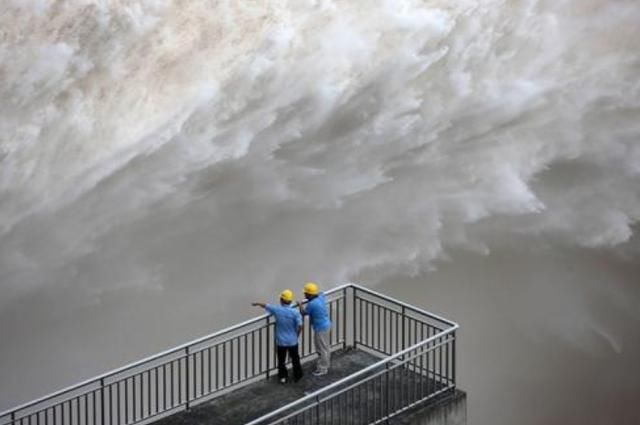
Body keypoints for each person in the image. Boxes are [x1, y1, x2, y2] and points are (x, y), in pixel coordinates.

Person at [252, 289, 303, 384]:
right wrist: (297, 335)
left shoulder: (277, 310)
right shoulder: (295, 312)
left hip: (281, 342)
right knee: (295, 359)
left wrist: (257, 303)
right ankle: (298, 375)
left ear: (281, 300)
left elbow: (266, 305)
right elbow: (300, 325)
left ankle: (283, 377)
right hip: (293, 341)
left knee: (281, 360)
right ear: (291, 301)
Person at [299, 282, 331, 376]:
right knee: (325, 347)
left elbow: (303, 313)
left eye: (305, 293)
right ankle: (325, 364)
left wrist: (300, 304)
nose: (304, 295)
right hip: (326, 325)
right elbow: (321, 293)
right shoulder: (320, 298)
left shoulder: (312, 304)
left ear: (309, 294)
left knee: (321, 348)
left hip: (320, 328)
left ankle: (322, 369)